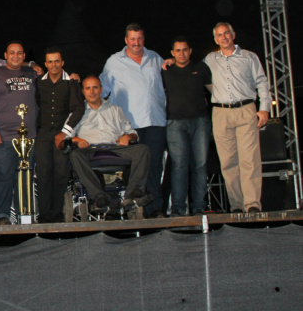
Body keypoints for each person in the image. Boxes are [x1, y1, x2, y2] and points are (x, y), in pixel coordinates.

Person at [100, 23, 167, 218]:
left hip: (155, 121)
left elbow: (171, 80)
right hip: (129, 126)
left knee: (155, 165)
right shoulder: (114, 61)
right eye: (132, 39)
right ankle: (135, 210)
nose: (136, 43)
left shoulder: (155, 58)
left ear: (143, 40)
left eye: (139, 39)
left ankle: (155, 209)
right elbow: (101, 89)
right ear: (126, 40)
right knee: (133, 167)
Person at [204, 22, 271, 213]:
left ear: (233, 35)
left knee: (249, 159)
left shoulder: (249, 57)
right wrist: (170, 63)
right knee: (227, 162)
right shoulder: (210, 59)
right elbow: (194, 73)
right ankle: (237, 206)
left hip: (245, 109)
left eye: (226, 33)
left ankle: (252, 205)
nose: (223, 37)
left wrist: (265, 108)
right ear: (215, 39)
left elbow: (262, 82)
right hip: (221, 113)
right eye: (219, 35)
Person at [68, 76, 151, 215]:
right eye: (88, 88)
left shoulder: (115, 110)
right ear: (83, 91)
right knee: (75, 155)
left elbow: (133, 133)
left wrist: (127, 136)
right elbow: (67, 135)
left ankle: (133, 193)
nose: (92, 91)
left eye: (95, 87)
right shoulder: (78, 112)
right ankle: (98, 196)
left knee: (143, 150)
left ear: (101, 89)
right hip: (90, 148)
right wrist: (77, 139)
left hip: (115, 147)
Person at [0, 41, 38, 225]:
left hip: (28, 138)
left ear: (24, 56)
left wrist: (72, 77)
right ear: (5, 55)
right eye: (12, 53)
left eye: (19, 53)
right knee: (3, 175)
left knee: (25, 176)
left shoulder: (32, 74)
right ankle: (0, 215)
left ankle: (25, 215)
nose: (15, 56)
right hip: (3, 136)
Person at [161, 37, 212, 216]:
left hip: (200, 122)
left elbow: (215, 91)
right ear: (172, 53)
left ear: (190, 51)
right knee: (179, 165)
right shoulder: (165, 70)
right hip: (175, 123)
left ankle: (199, 207)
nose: (181, 53)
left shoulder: (201, 68)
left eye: (185, 50)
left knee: (200, 165)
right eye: (178, 50)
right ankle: (178, 209)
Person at [35, 48, 85, 224]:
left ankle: (57, 214)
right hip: (43, 134)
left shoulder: (71, 82)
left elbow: (79, 109)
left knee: (61, 173)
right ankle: (43, 214)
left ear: (62, 63)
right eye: (50, 62)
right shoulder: (38, 82)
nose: (54, 65)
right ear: (46, 64)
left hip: (62, 134)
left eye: (57, 61)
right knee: (43, 173)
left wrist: (64, 132)